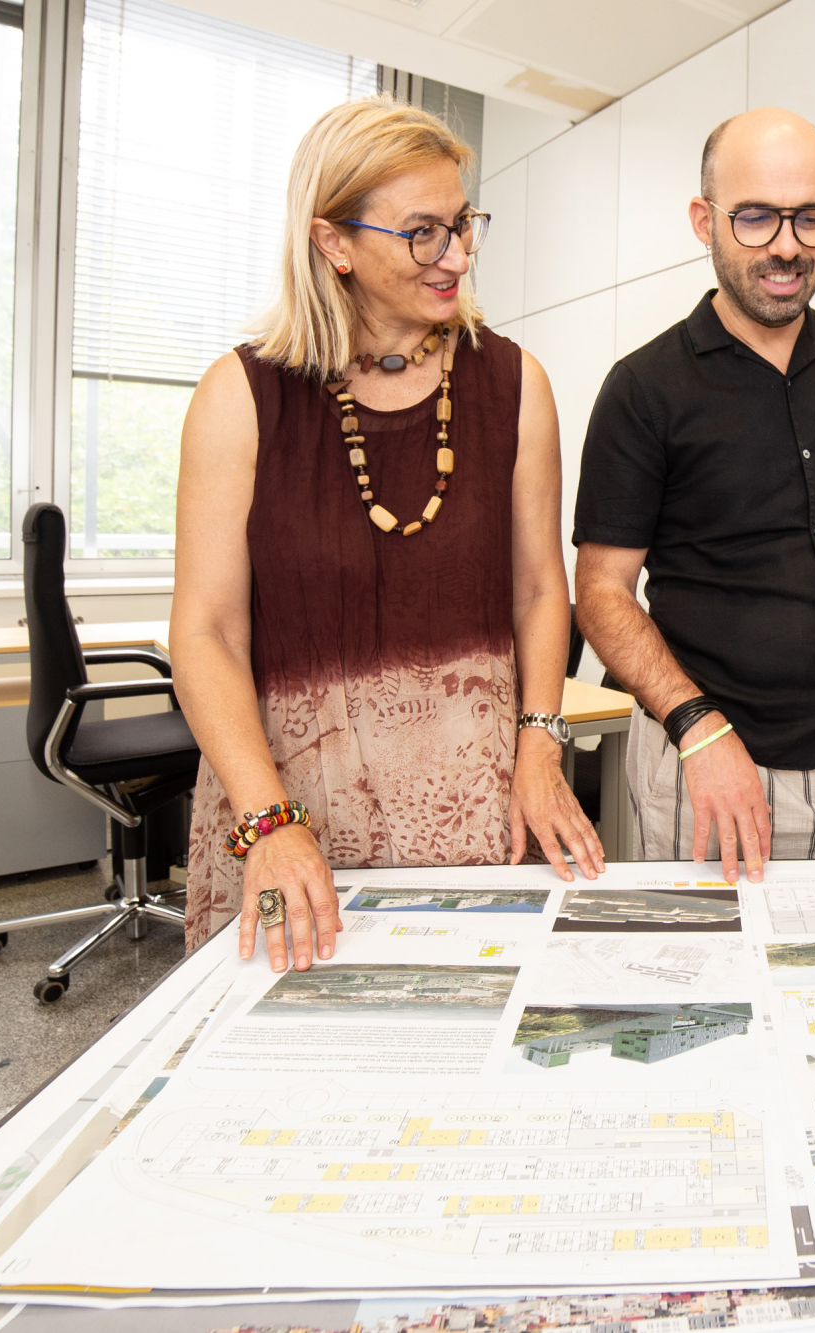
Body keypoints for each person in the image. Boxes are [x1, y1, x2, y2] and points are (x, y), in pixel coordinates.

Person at [171, 96, 602, 973]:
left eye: (462, 224)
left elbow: (537, 591)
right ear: (334, 243)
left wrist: (540, 741)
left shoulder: (517, 386)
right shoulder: (239, 397)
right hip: (290, 814)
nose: (456, 255)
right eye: (422, 233)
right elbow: (205, 632)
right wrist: (269, 821)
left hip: (479, 807)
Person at [573, 107, 815, 883]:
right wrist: (697, 727)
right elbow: (602, 593)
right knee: (721, 998)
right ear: (703, 220)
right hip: (714, 763)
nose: (786, 245)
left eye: (811, 218)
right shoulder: (644, 389)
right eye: (756, 218)